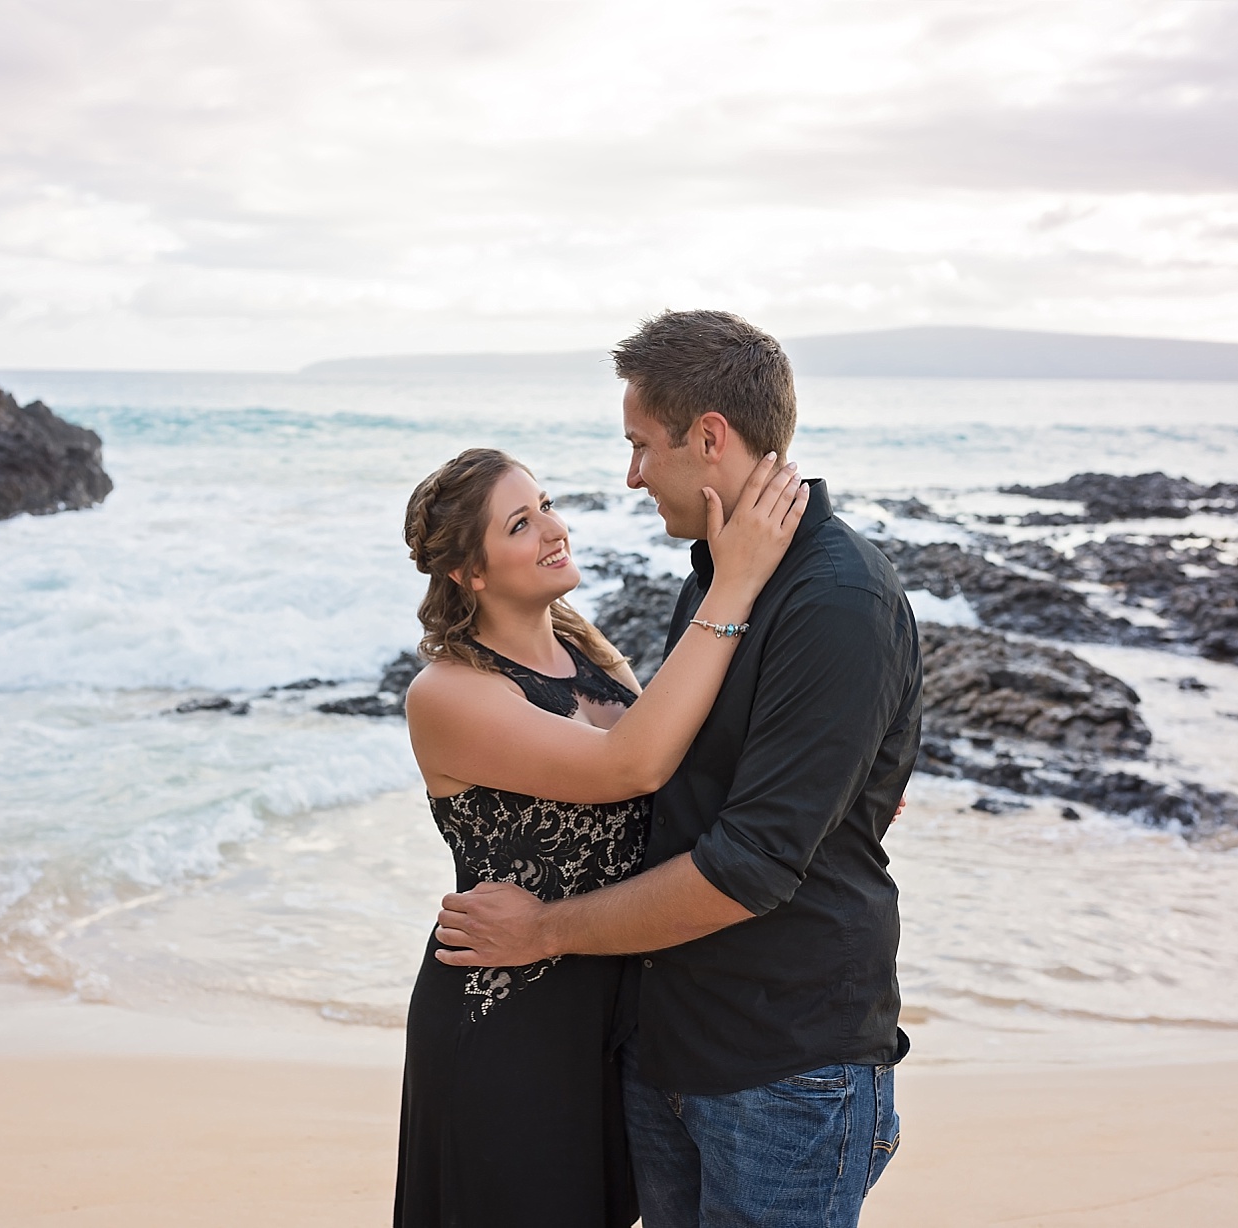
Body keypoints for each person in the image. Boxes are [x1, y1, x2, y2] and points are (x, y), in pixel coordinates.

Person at [433, 310, 924, 1228]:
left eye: (640, 445)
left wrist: (545, 931)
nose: (629, 474)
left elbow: (750, 862)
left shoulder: (837, 599)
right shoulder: (722, 568)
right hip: (669, 1042)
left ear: (709, 438)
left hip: (783, 1064)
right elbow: (684, 777)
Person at [394, 444, 810, 1228]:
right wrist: (737, 580)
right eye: (521, 523)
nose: (555, 528)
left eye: (545, 504)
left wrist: (829, 778)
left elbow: (689, 766)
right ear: (470, 573)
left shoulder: (584, 647)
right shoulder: (447, 693)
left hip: (614, 1015)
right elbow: (633, 766)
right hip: (506, 1018)